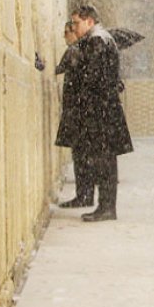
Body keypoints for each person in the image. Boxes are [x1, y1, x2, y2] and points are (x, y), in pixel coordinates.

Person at [68, 5, 133, 222]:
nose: (73, 28)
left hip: (101, 111)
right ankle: (105, 206)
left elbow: (92, 78)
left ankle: (106, 207)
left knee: (103, 159)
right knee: (104, 158)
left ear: (89, 21)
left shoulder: (97, 41)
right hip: (104, 109)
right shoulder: (101, 40)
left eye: (76, 23)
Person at [55, 21, 95, 208]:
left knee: (81, 155)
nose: (65, 37)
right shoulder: (80, 50)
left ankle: (84, 195)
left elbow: (59, 70)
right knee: (82, 155)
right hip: (80, 112)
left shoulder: (76, 51)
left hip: (79, 113)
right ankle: (84, 194)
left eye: (67, 32)